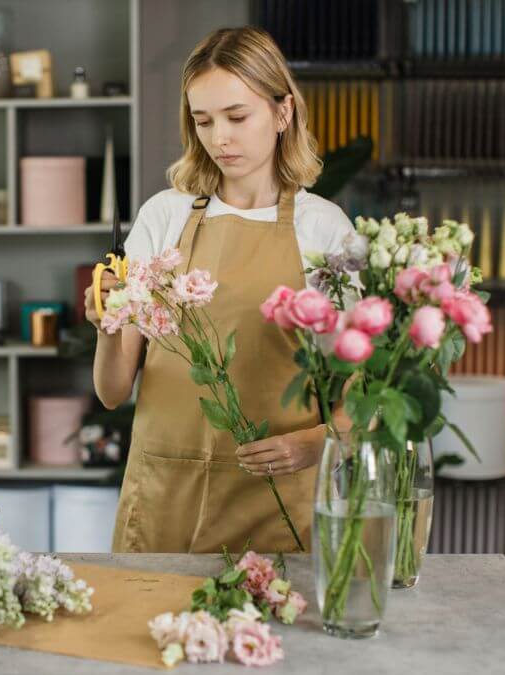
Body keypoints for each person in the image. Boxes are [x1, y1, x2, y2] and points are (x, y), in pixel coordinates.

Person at [85, 26, 353, 554]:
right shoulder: (165, 215)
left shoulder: (325, 231)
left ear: (283, 112)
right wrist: (106, 325)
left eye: (237, 117)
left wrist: (317, 443)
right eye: (203, 121)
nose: (219, 138)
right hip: (163, 496)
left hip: (273, 500)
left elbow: (366, 388)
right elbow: (113, 392)